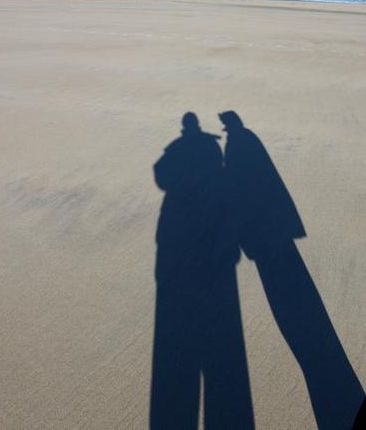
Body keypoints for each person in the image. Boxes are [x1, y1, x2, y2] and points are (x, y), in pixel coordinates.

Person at [219, 110, 364, 430]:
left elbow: (241, 183)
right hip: (276, 232)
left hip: (266, 236)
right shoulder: (247, 140)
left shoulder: (238, 144)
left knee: (301, 327)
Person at [150, 113, 254, 430]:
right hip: (210, 222)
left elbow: (161, 177)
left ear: (185, 127)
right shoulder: (212, 148)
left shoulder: (177, 148)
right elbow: (220, 176)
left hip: (181, 230)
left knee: (183, 301)